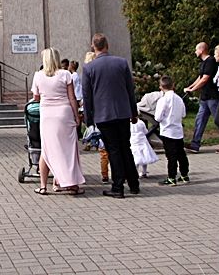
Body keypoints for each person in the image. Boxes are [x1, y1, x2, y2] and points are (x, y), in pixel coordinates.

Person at [82, 33, 139, 198]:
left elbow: (87, 96)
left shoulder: (89, 68)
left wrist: (88, 119)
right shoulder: (121, 62)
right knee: (125, 147)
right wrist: (133, 112)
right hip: (123, 112)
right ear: (107, 45)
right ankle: (134, 184)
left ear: (93, 46)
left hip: (104, 115)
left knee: (113, 150)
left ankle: (118, 187)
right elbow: (130, 89)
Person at [31, 48, 84, 195]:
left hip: (47, 115)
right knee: (68, 150)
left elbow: (36, 97)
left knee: (46, 150)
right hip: (64, 114)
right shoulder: (65, 74)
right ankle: (72, 184)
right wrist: (76, 116)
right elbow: (72, 97)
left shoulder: (38, 76)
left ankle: (43, 186)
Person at [183, 42, 219, 153]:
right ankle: (195, 144)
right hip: (204, 97)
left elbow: (205, 79)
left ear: (202, 50)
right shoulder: (203, 63)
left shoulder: (210, 61)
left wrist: (193, 89)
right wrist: (190, 87)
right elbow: (200, 78)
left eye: (196, 49)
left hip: (212, 97)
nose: (195, 52)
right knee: (200, 120)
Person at [154, 75, 189, 185]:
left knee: (171, 155)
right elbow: (183, 114)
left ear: (161, 87)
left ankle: (171, 177)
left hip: (167, 131)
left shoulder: (162, 100)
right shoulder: (179, 99)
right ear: (173, 85)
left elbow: (158, 117)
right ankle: (184, 174)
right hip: (178, 130)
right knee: (181, 154)